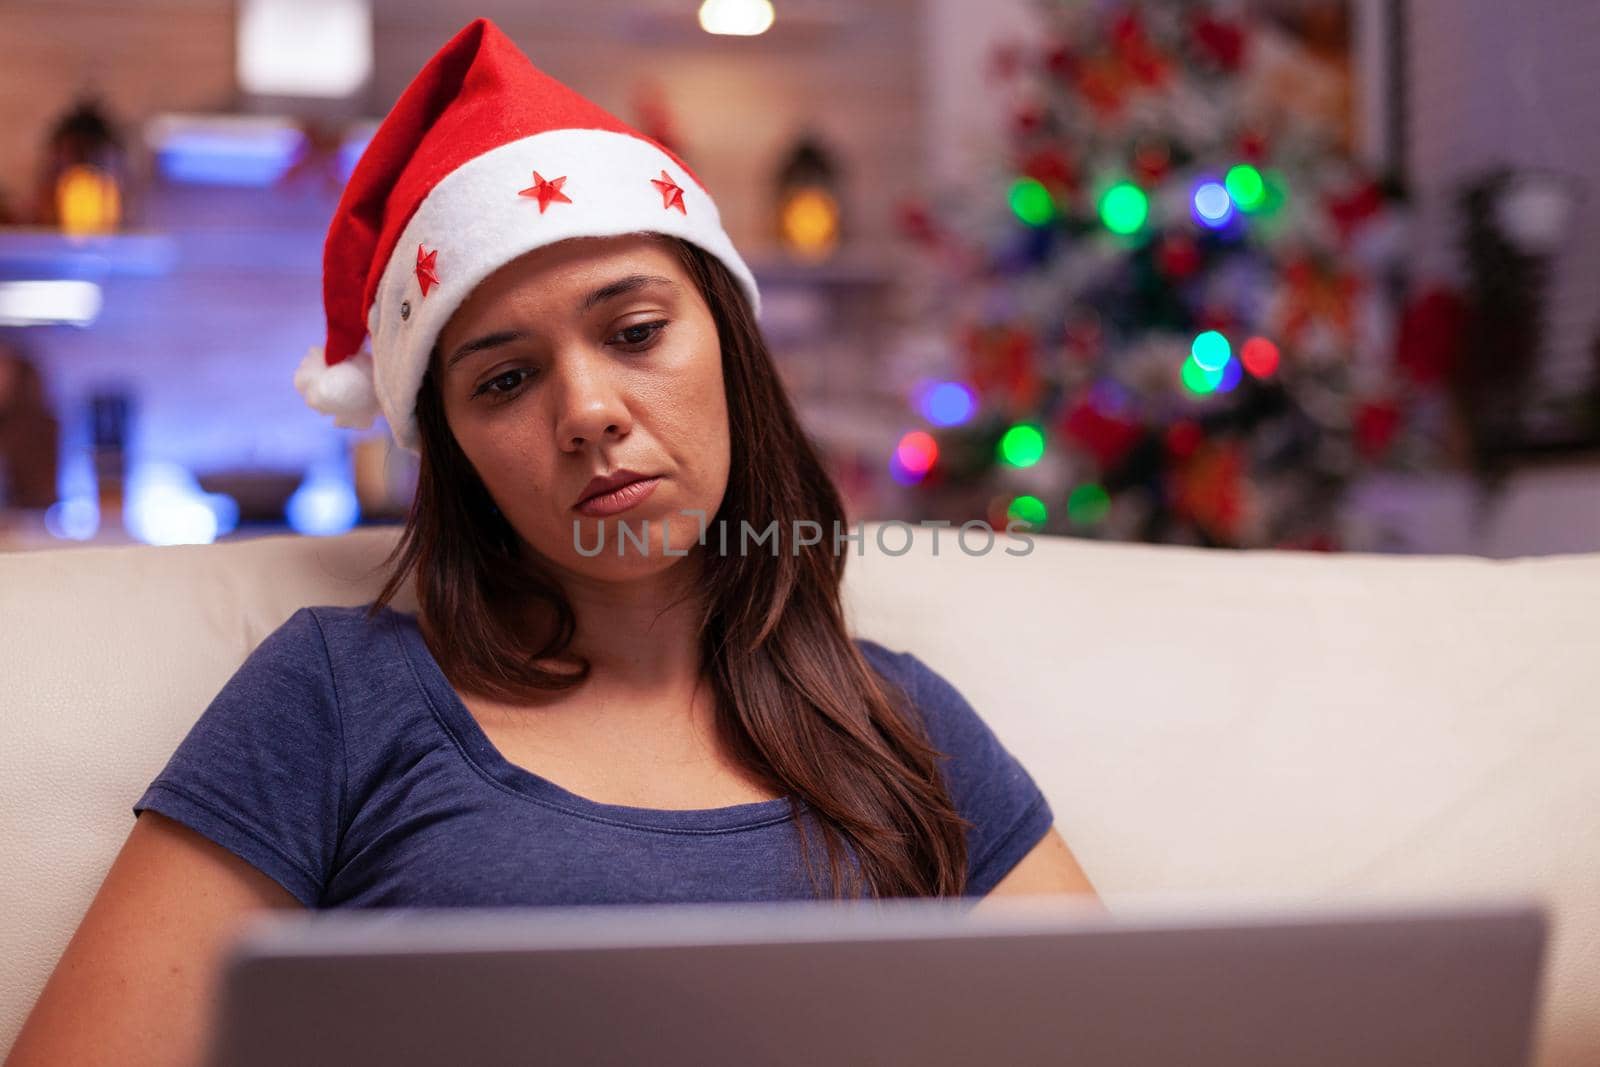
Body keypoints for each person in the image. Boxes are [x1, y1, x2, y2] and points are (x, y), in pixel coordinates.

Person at [5, 19, 1098, 1067]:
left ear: (729, 340)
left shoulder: (902, 723)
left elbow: (1139, 1027)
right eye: (504, 379)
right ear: (455, 450)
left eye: (634, 332)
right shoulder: (332, 697)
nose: (587, 410)